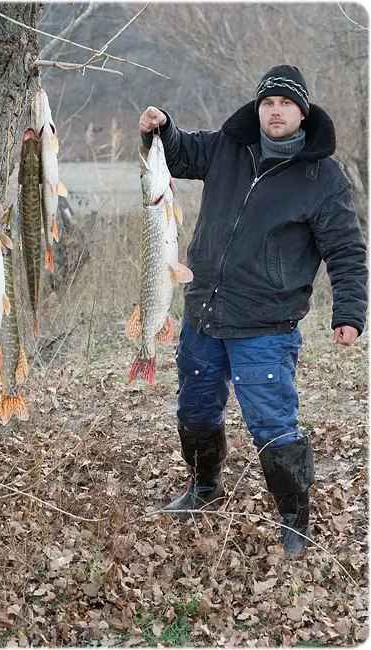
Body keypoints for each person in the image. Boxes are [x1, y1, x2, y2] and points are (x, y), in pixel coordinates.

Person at [138, 64, 368, 558]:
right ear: (258, 109)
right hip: (203, 312)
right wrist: (162, 127)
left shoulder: (322, 177)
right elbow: (178, 153)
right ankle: (205, 488)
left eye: (285, 104)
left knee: (272, 421)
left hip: (265, 324)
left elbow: (347, 250)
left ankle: (295, 518)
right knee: (195, 409)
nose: (275, 111)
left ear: (301, 112)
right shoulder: (229, 145)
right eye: (268, 103)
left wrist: (348, 311)